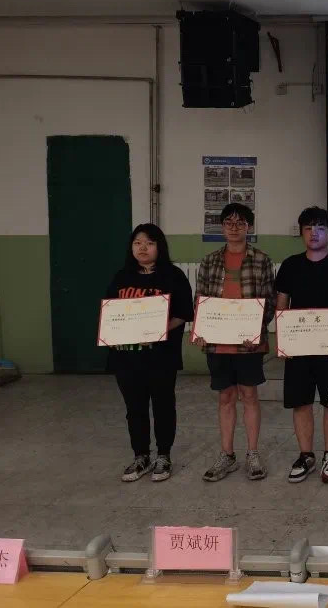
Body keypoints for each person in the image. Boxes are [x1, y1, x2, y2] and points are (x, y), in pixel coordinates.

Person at [275, 207, 328, 484]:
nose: (314, 233)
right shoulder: (290, 265)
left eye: (321, 228)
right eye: (309, 228)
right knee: (301, 402)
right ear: (301, 232)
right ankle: (306, 455)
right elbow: (281, 305)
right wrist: (283, 341)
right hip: (298, 347)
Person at [194, 202, 275, 483]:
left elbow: (269, 302)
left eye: (241, 223)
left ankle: (252, 453)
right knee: (225, 397)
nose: (234, 227)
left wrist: (256, 331)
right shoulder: (209, 261)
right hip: (217, 343)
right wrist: (200, 330)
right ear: (222, 227)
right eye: (229, 222)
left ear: (249, 227)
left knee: (249, 396)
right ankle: (227, 455)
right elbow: (200, 300)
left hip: (248, 343)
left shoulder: (262, 260)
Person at [105, 224, 194, 482]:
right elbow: (109, 312)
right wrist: (112, 334)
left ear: (159, 247)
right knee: (134, 408)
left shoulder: (173, 276)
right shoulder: (121, 277)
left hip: (161, 356)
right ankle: (140, 456)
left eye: (149, 243)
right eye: (137, 243)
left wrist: (158, 329)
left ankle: (164, 455)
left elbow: (184, 313)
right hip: (126, 357)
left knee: (163, 405)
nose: (142, 248)